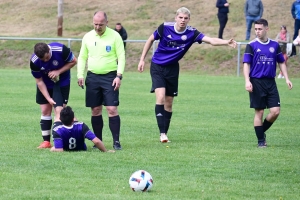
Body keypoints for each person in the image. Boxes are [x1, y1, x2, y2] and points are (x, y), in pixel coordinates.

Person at [137, 7, 237, 143]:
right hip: (158, 66)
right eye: (180, 17)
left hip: (172, 68)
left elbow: (211, 40)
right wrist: (142, 59)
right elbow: (150, 40)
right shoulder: (165, 27)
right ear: (176, 18)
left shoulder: (192, 33)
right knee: (160, 97)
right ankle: (162, 134)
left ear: (189, 19)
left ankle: (165, 132)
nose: (182, 20)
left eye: (185, 18)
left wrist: (226, 42)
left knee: (169, 102)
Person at [77, 11, 125, 150]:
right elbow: (82, 57)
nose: (98, 27)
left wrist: (119, 75)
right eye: (95, 24)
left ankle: (116, 142)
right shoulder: (87, 37)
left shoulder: (115, 36)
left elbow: (121, 57)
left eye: (101, 24)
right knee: (95, 110)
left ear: (107, 23)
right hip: (92, 77)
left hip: (110, 76)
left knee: (111, 109)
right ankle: (98, 142)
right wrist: (80, 75)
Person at [243, 19, 293, 148]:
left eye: (260, 29)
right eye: (256, 29)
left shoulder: (274, 45)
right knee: (259, 112)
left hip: (271, 82)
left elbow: (281, 62)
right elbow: (246, 64)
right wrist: (247, 81)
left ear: (266, 29)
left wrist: (287, 78)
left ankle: (260, 131)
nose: (257, 31)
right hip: (256, 82)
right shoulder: (252, 45)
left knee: (275, 111)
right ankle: (261, 141)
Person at [30, 42, 77, 149]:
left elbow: (74, 61)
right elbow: (39, 82)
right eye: (43, 60)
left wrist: (58, 71)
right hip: (45, 84)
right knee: (45, 110)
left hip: (61, 83)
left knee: (59, 111)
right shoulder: (34, 61)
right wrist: (48, 98)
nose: (45, 61)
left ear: (49, 50)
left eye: (47, 58)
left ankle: (62, 141)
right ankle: (46, 142)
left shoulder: (61, 50)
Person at [50, 106, 115, 152]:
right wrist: (105, 151)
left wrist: (53, 149)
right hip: (81, 149)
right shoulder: (81, 126)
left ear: (60, 120)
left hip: (66, 147)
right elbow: (96, 141)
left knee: (53, 148)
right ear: (73, 119)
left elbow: (59, 150)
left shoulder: (57, 130)